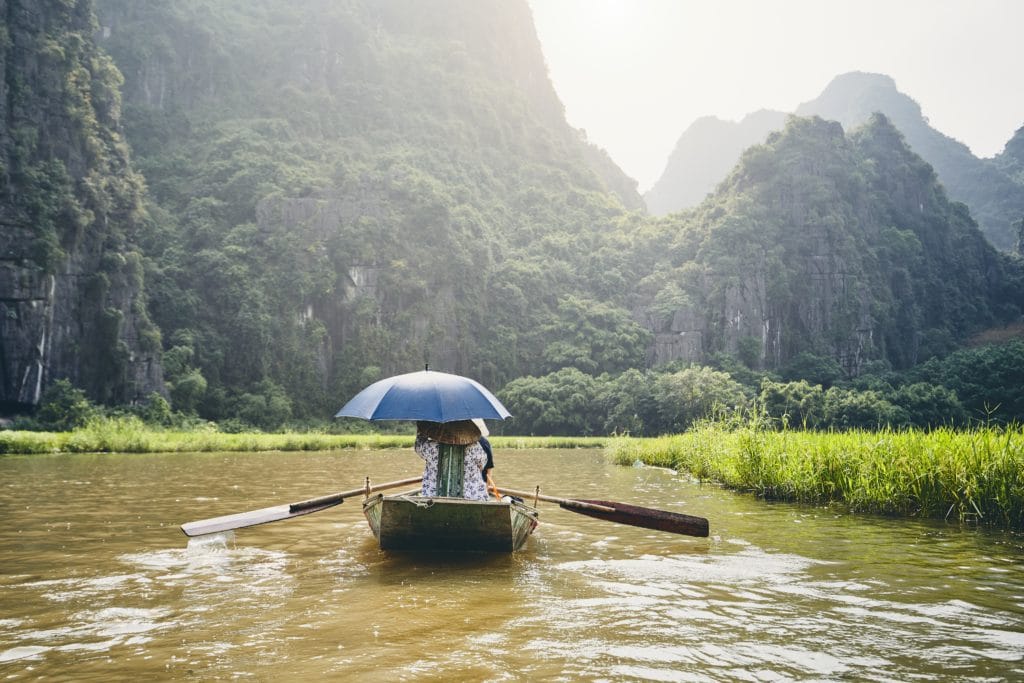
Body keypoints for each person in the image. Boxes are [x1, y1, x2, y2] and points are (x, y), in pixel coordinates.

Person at [414, 420, 488, 500]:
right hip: (471, 497)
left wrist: (420, 431)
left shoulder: (430, 446)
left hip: (433, 497)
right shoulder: (475, 447)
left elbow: (418, 446)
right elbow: (482, 465)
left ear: (440, 430)